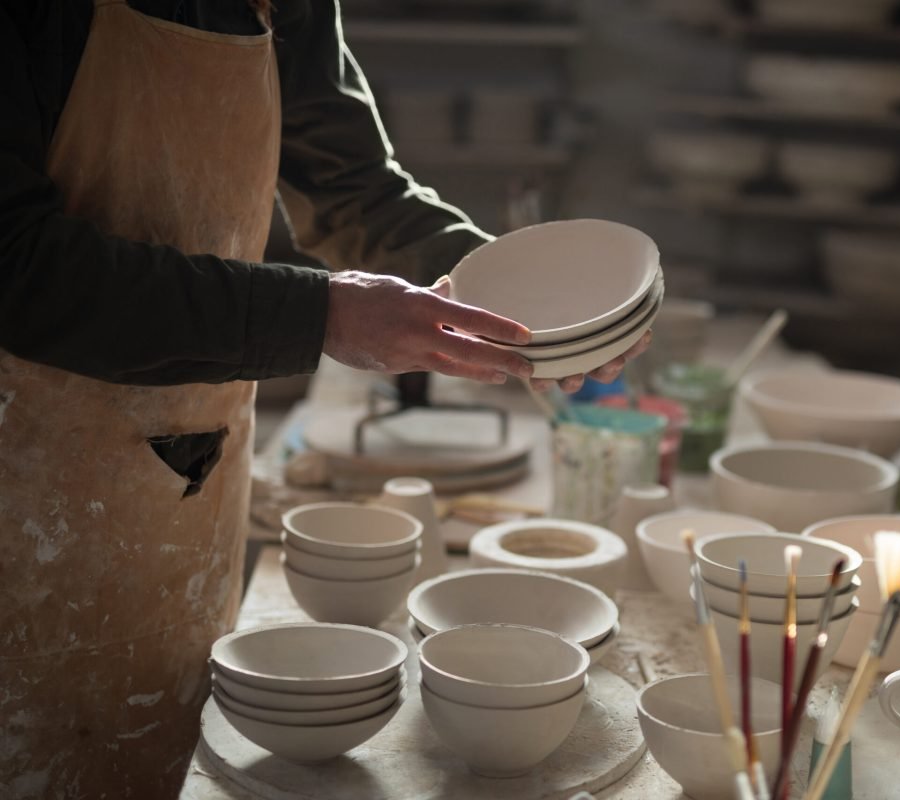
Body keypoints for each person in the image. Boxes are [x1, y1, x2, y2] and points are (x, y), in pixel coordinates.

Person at [0, 2, 648, 797]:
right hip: (20, 475)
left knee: (159, 749)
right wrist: (321, 314)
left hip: (184, 469)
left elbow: (354, 188)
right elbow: (16, 265)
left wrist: (518, 302)